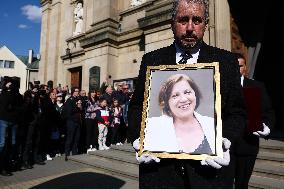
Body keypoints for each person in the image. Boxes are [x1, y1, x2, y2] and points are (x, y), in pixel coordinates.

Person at [127, 0, 246, 188]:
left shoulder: (227, 62)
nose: (190, 28)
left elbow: (237, 113)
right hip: (160, 175)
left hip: (209, 176)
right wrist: (137, 138)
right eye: (183, 20)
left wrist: (225, 140)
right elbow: (136, 107)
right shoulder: (151, 60)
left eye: (197, 20)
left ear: (205, 25)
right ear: (172, 24)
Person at [144, 74, 215, 154]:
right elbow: (143, 154)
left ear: (195, 94)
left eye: (187, 92)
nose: (183, 99)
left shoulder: (213, 124)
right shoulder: (152, 127)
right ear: (166, 102)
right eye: (175, 96)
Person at [234, 53, 275, 189]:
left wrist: (267, 127)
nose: (236, 69)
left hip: (248, 146)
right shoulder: (218, 87)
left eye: (239, 66)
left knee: (242, 185)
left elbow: (268, 111)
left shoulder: (256, 86)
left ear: (245, 67)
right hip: (225, 148)